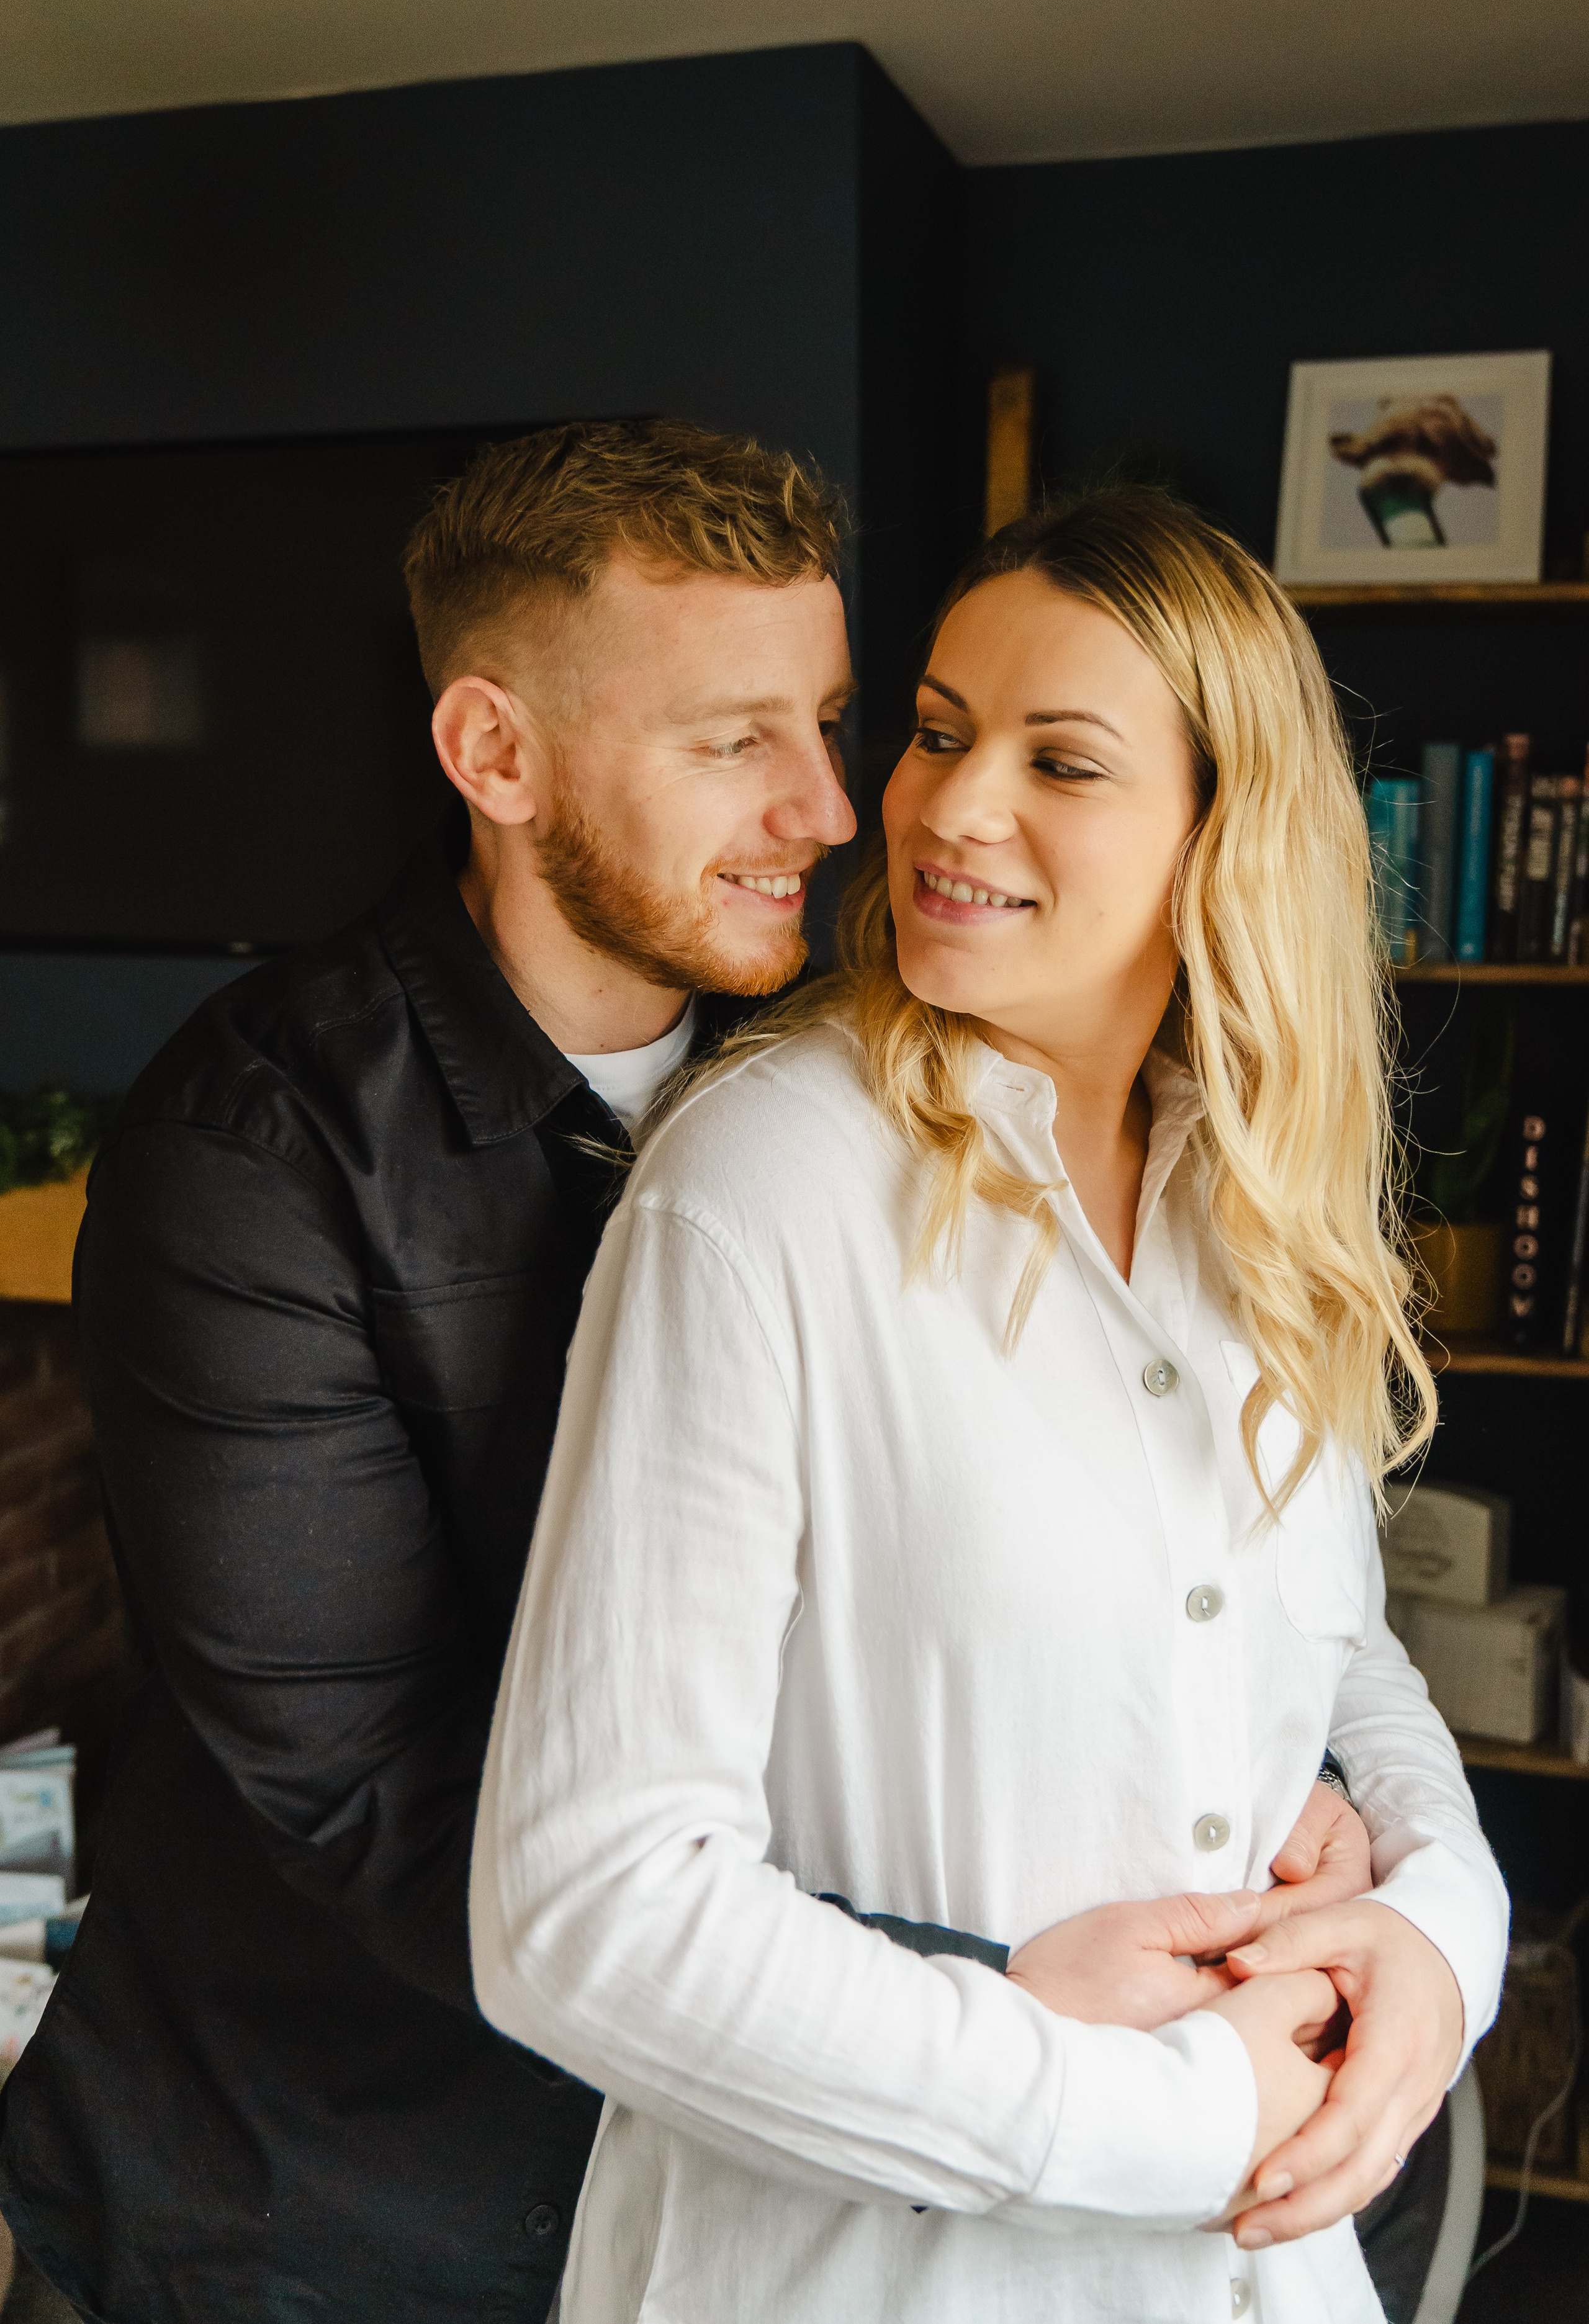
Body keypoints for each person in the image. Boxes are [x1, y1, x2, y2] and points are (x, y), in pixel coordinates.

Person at [0, 424, 1367, 2322]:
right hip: (315, 2186)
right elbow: (376, 1793)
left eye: (830, 720)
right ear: (496, 755)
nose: (831, 807)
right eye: (734, 741)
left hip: (740, 2175)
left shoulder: (850, 1070)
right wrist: (975, 1969)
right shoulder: (253, 1153)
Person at [470, 487, 1510, 2323]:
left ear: (1225, 828)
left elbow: (1338, 1661)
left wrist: (1438, 1934)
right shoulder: (763, 1184)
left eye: (1064, 759)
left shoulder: (1257, 1203)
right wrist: (1155, 2117)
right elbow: (585, 1913)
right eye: (941, 730)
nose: (948, 806)